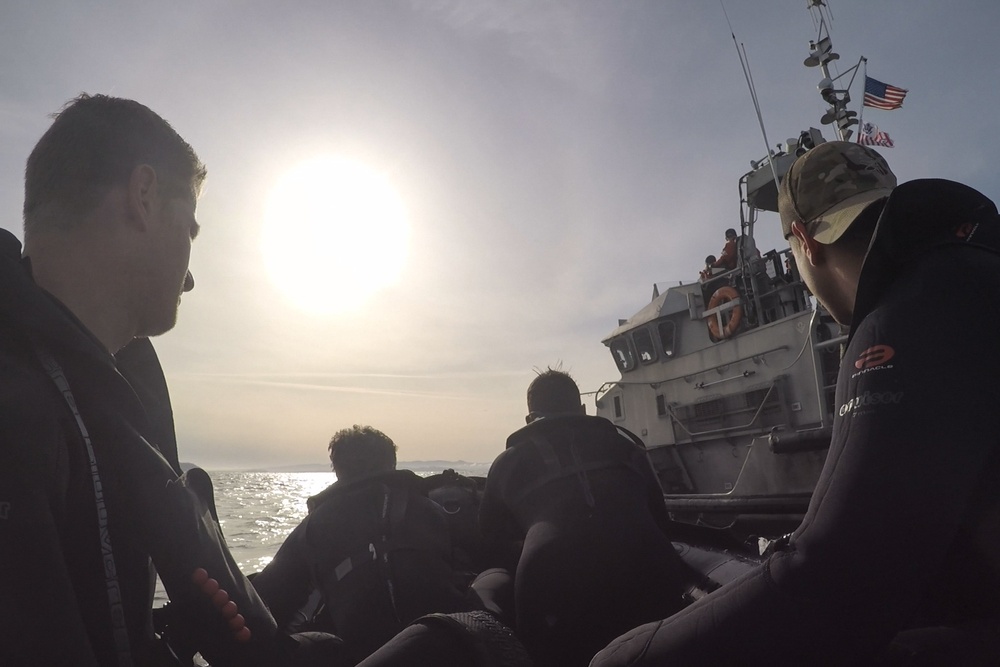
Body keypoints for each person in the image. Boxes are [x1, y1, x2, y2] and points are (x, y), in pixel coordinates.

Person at [593, 141, 1000, 665]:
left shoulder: (899, 324)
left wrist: (629, 656)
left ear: (805, 243)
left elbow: (835, 579)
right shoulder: (970, 277)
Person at [0, 94, 338, 666]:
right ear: (145, 196)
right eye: (191, 229)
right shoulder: (22, 416)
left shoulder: (84, 391)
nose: (191, 276)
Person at [478, 369, 691, 666]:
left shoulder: (507, 463)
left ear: (530, 418)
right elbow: (661, 520)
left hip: (550, 584)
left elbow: (490, 545)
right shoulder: (626, 447)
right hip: (650, 564)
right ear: (582, 410)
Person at [253, 425, 489, 665]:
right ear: (392, 463)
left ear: (338, 470)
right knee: (494, 576)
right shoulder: (432, 508)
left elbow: (266, 602)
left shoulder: (312, 527)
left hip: (368, 657)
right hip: (452, 647)